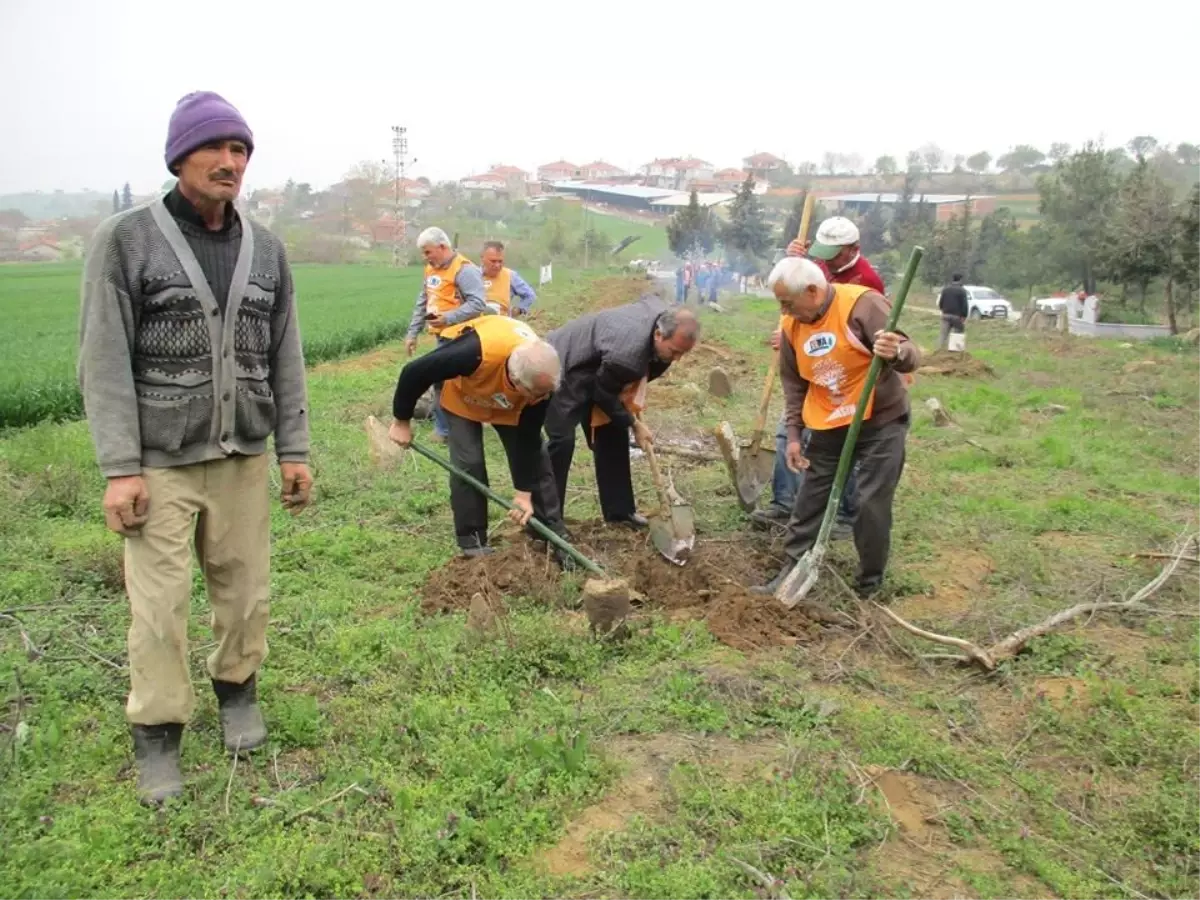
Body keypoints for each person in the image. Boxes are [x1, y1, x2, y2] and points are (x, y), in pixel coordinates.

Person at [77, 91, 313, 806]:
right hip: (158, 462)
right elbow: (104, 359)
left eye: (240, 150)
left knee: (245, 593)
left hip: (242, 455)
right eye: (215, 148)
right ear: (180, 156)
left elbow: (286, 353)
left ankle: (237, 692)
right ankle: (158, 733)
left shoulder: (266, 248)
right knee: (159, 607)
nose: (230, 162)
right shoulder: (127, 240)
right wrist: (120, 468)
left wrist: (293, 450)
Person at [753, 257, 920, 598]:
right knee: (810, 496)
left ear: (812, 292)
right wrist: (795, 435)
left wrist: (896, 352)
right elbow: (794, 384)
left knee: (870, 501)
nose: (784, 312)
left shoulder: (862, 304)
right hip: (828, 421)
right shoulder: (791, 327)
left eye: (787, 303)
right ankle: (792, 568)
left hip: (880, 420)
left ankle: (869, 582)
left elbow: (912, 353)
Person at [390, 315, 572, 565]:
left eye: (545, 394)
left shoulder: (542, 383)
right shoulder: (472, 352)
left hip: (509, 406)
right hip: (463, 397)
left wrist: (523, 493)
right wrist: (401, 420)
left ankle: (549, 532)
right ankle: (473, 542)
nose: (541, 399)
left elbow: (527, 439)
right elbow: (414, 372)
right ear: (516, 379)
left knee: (537, 459)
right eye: (535, 394)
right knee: (470, 463)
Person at [752, 216, 886, 531]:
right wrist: (791, 261)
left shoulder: (866, 284)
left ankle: (844, 514)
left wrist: (800, 339)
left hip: (846, 378)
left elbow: (847, 330)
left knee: (845, 443)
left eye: (833, 254)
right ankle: (785, 502)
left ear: (853, 249)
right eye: (821, 253)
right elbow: (796, 296)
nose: (824, 260)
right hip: (813, 369)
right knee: (789, 431)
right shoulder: (820, 268)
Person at [544, 299, 699, 528]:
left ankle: (620, 512)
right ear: (658, 335)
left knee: (613, 434)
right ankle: (548, 520)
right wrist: (633, 423)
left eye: (682, 354)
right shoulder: (628, 356)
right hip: (563, 367)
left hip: (601, 366)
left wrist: (626, 417)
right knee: (562, 442)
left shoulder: (662, 320)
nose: (677, 359)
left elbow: (614, 386)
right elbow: (603, 393)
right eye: (674, 352)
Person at [404, 227, 489, 443]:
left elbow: (478, 304)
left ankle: (450, 430)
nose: (426, 257)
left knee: (455, 383)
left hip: (464, 337)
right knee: (442, 382)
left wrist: (448, 318)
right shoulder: (430, 270)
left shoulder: (465, 270)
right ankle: (445, 429)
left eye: (428, 252)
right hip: (442, 337)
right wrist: (412, 333)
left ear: (442, 247)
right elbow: (423, 302)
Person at [480, 240, 537, 317]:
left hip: (501, 323)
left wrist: (519, 309)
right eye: (493, 261)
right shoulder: (473, 276)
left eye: (500, 261)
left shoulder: (510, 275)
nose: (497, 265)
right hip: (476, 323)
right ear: (482, 259)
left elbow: (530, 295)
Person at [937, 273, 969, 349]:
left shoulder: (945, 289)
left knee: (943, 335)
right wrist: (964, 316)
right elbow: (964, 305)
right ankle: (955, 352)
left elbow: (940, 302)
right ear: (960, 280)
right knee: (958, 334)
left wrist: (943, 310)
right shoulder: (962, 290)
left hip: (945, 315)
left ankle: (939, 352)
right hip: (956, 316)